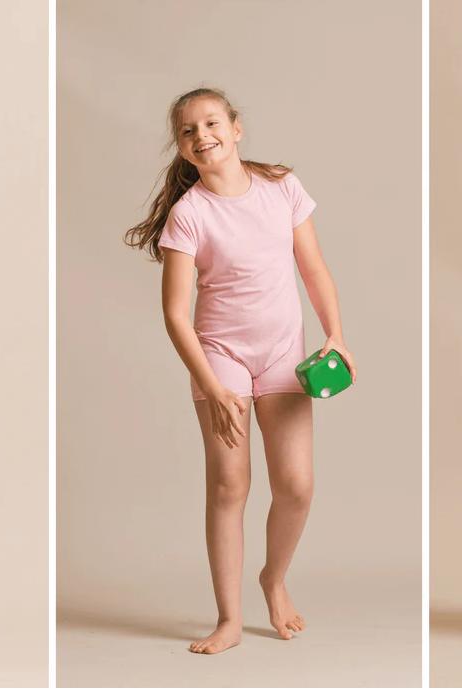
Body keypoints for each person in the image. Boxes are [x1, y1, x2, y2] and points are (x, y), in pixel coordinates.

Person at [125, 87, 356, 655]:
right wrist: (209, 384)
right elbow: (175, 314)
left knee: (297, 487)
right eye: (188, 131)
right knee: (230, 485)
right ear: (182, 149)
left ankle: (272, 580)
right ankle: (229, 619)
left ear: (235, 127)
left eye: (210, 123)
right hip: (219, 357)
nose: (201, 136)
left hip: (283, 352)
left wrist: (337, 336)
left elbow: (314, 269)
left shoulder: (282, 188)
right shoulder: (189, 215)